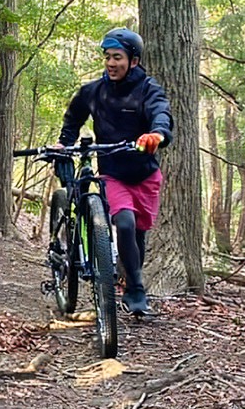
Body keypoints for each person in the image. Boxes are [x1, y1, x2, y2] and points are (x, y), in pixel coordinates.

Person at [57, 27, 173, 316]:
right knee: (123, 223)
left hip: (145, 175)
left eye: (117, 57)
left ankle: (128, 279)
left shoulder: (148, 88)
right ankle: (136, 290)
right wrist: (64, 143)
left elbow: (161, 114)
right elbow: (74, 117)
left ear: (133, 60)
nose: (110, 63)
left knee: (138, 235)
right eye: (107, 57)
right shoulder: (93, 91)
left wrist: (156, 136)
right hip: (112, 172)